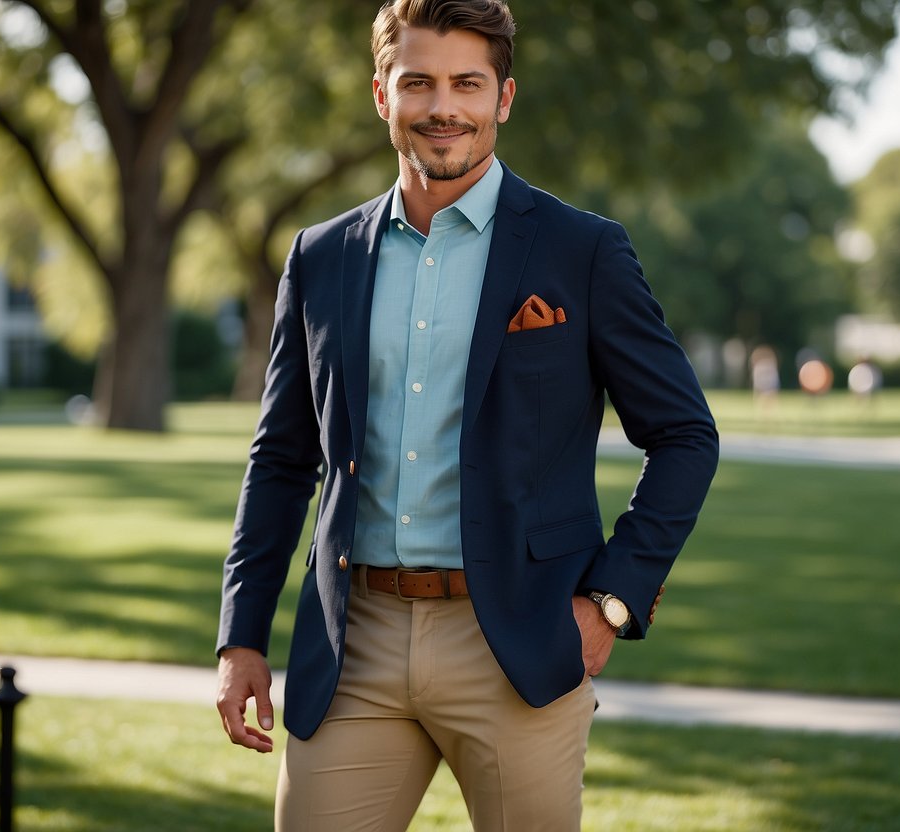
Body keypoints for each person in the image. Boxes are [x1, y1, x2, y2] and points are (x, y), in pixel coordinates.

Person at [215, 1, 719, 828]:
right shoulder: (320, 257)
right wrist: (240, 637)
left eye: (466, 83)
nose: (442, 106)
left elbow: (684, 436)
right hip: (354, 645)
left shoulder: (580, 250)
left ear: (503, 98)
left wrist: (610, 603)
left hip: (519, 640)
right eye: (417, 82)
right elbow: (279, 458)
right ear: (382, 94)